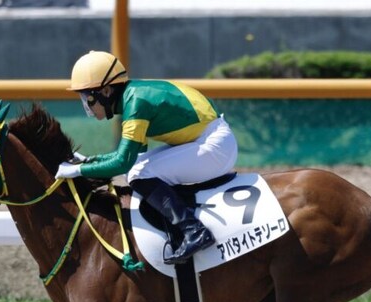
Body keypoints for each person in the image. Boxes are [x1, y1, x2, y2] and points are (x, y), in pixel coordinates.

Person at [55, 50, 238, 265]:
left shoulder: (136, 103)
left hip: (215, 146)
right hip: (207, 139)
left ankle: (194, 231)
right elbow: (133, 156)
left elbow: (123, 162)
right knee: (138, 168)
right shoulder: (133, 95)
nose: (87, 106)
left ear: (106, 91)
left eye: (87, 98)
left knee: (139, 173)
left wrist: (78, 170)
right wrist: (90, 161)